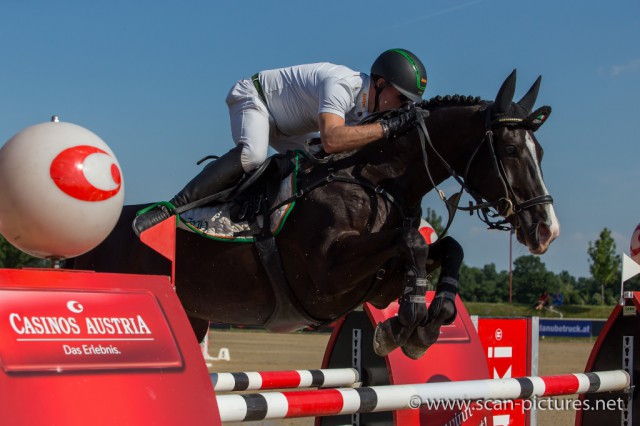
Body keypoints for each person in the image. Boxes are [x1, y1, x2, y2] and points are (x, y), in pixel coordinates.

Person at [133, 48, 428, 236]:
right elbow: (333, 138)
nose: (401, 107)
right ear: (379, 83)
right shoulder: (343, 84)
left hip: (291, 129)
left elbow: (332, 150)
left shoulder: (368, 108)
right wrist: (387, 129)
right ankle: (171, 208)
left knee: (320, 171)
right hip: (256, 99)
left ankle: (247, 215)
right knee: (253, 156)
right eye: (402, 98)